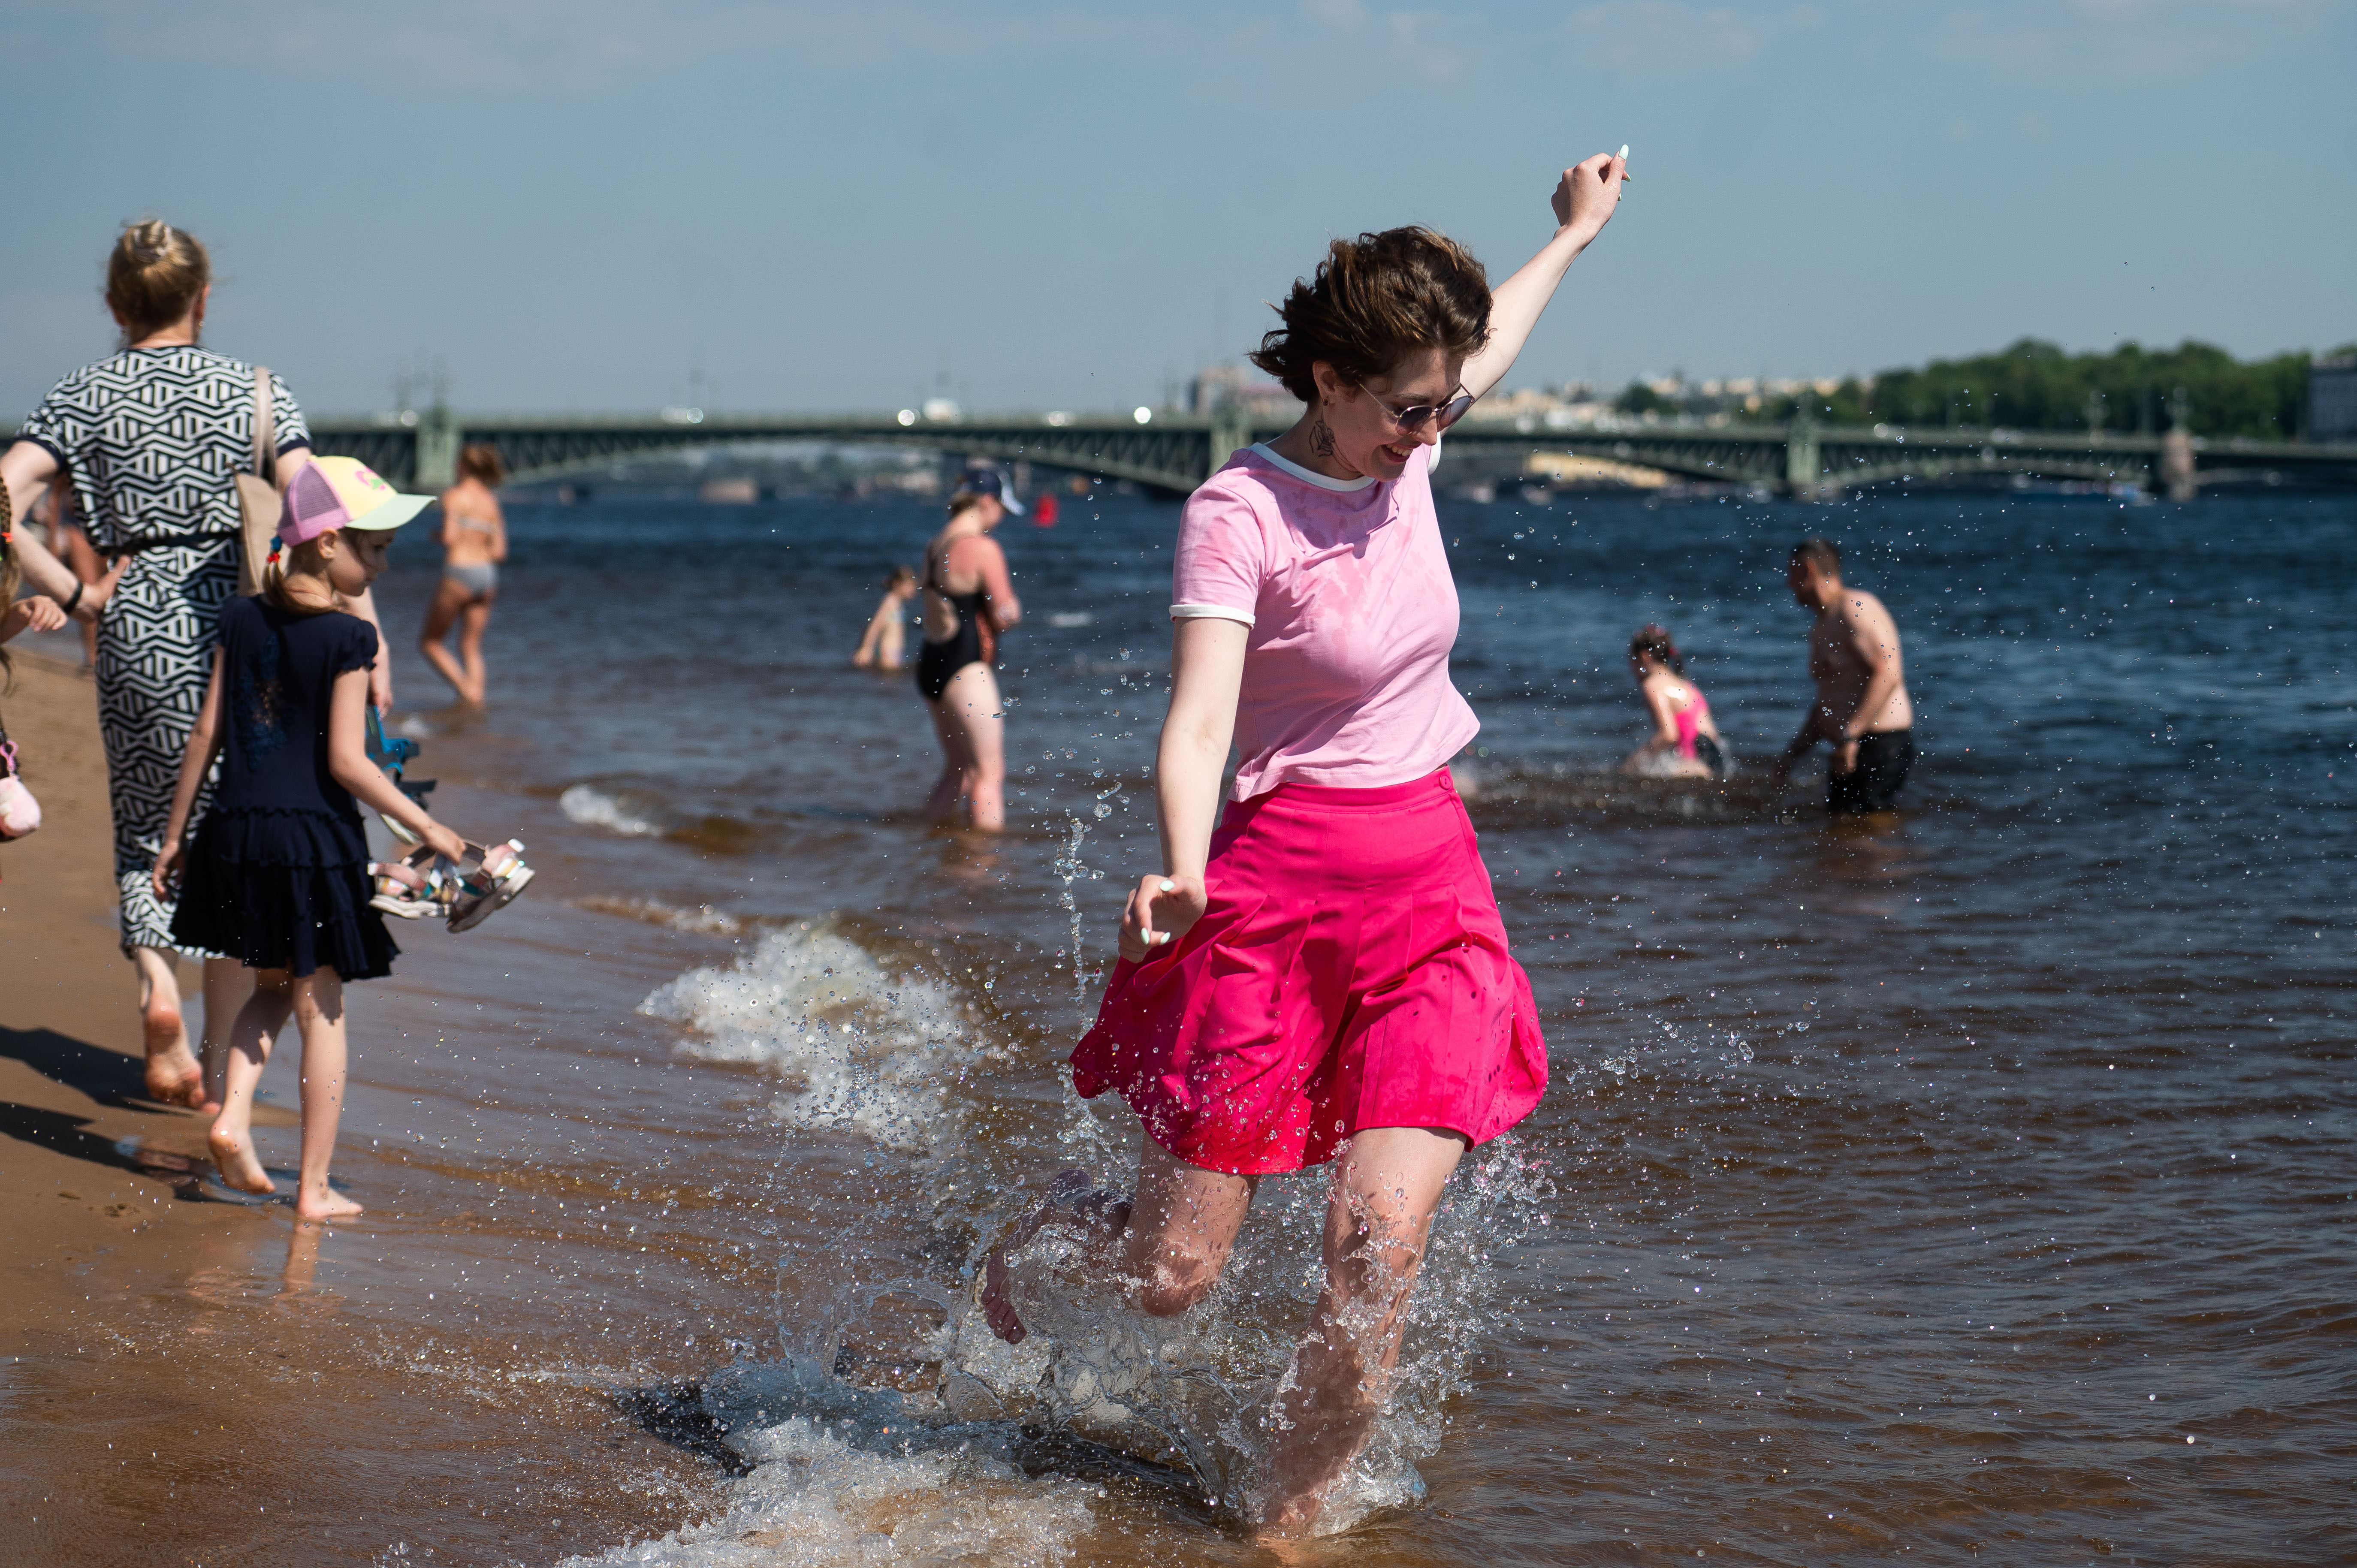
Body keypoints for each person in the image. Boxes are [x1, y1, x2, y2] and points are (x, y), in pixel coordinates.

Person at [981, 152, 1626, 1536]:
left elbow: (1492, 336)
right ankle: (1041, 1237)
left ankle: (1284, 1520)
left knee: (1375, 1249)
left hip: (1428, 900)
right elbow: (1201, 714)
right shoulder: (1239, 513)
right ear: (1328, 381)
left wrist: (1569, 234)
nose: (1429, 427)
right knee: (1172, 1274)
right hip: (1268, 903)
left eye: (1441, 403)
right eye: (1407, 404)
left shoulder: (1418, 436)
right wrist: (1176, 860)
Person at [1, 220, 394, 1111]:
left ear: (113, 304)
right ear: (204, 297)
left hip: (135, 617)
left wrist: (78, 589)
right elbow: (316, 506)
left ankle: (153, 986)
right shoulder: (257, 389)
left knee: (148, 824)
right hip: (241, 621)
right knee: (226, 827)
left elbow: (2, 497)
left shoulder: (81, 394)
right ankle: (220, 1075)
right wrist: (365, 632)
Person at [153, 457, 468, 1219]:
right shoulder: (347, 637)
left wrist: (173, 838)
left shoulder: (238, 616)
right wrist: (431, 827)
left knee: (266, 988)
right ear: (326, 544)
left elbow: (207, 731)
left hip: (234, 830)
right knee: (321, 1007)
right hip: (312, 842)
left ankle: (231, 1117)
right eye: (376, 548)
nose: (384, 565)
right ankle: (317, 1188)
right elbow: (347, 763)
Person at [1769, 538, 1915, 813]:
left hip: (1880, 744)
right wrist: (1793, 753)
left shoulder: (1855, 608)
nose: (1788, 583)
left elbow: (1888, 673)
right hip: (1850, 746)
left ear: (1808, 570)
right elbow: (1828, 699)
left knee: (1869, 835)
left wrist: (1851, 736)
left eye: (1791, 573)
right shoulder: (1823, 623)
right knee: (1841, 834)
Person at [916, 467, 1023, 830]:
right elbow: (1004, 612)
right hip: (967, 668)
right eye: (1002, 509)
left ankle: (931, 839)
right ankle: (987, 865)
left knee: (958, 769)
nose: (1001, 518)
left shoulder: (935, 546)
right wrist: (1013, 612)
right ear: (987, 502)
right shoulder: (982, 548)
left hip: (931, 664)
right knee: (989, 773)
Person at [417, 443, 508, 705]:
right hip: (487, 575)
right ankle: (475, 707)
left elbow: (449, 537)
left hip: (460, 572)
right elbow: (500, 551)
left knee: (430, 642)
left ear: (463, 467)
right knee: (471, 646)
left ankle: (469, 694)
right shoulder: (491, 501)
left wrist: (436, 536)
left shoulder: (454, 496)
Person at [1619, 624, 1726, 778]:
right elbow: (1712, 735)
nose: (1631, 666)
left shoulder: (1653, 685)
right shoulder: (1688, 686)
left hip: (1695, 765)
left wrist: (1634, 761)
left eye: (1632, 659)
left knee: (1636, 775)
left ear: (1644, 656)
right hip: (1715, 760)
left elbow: (1668, 735)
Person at [851, 565, 919, 671]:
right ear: (897, 584)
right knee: (888, 684)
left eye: (914, 586)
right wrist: (866, 648)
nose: (913, 590)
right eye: (909, 586)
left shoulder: (898, 604)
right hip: (886, 656)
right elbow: (875, 625)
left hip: (894, 656)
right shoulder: (889, 602)